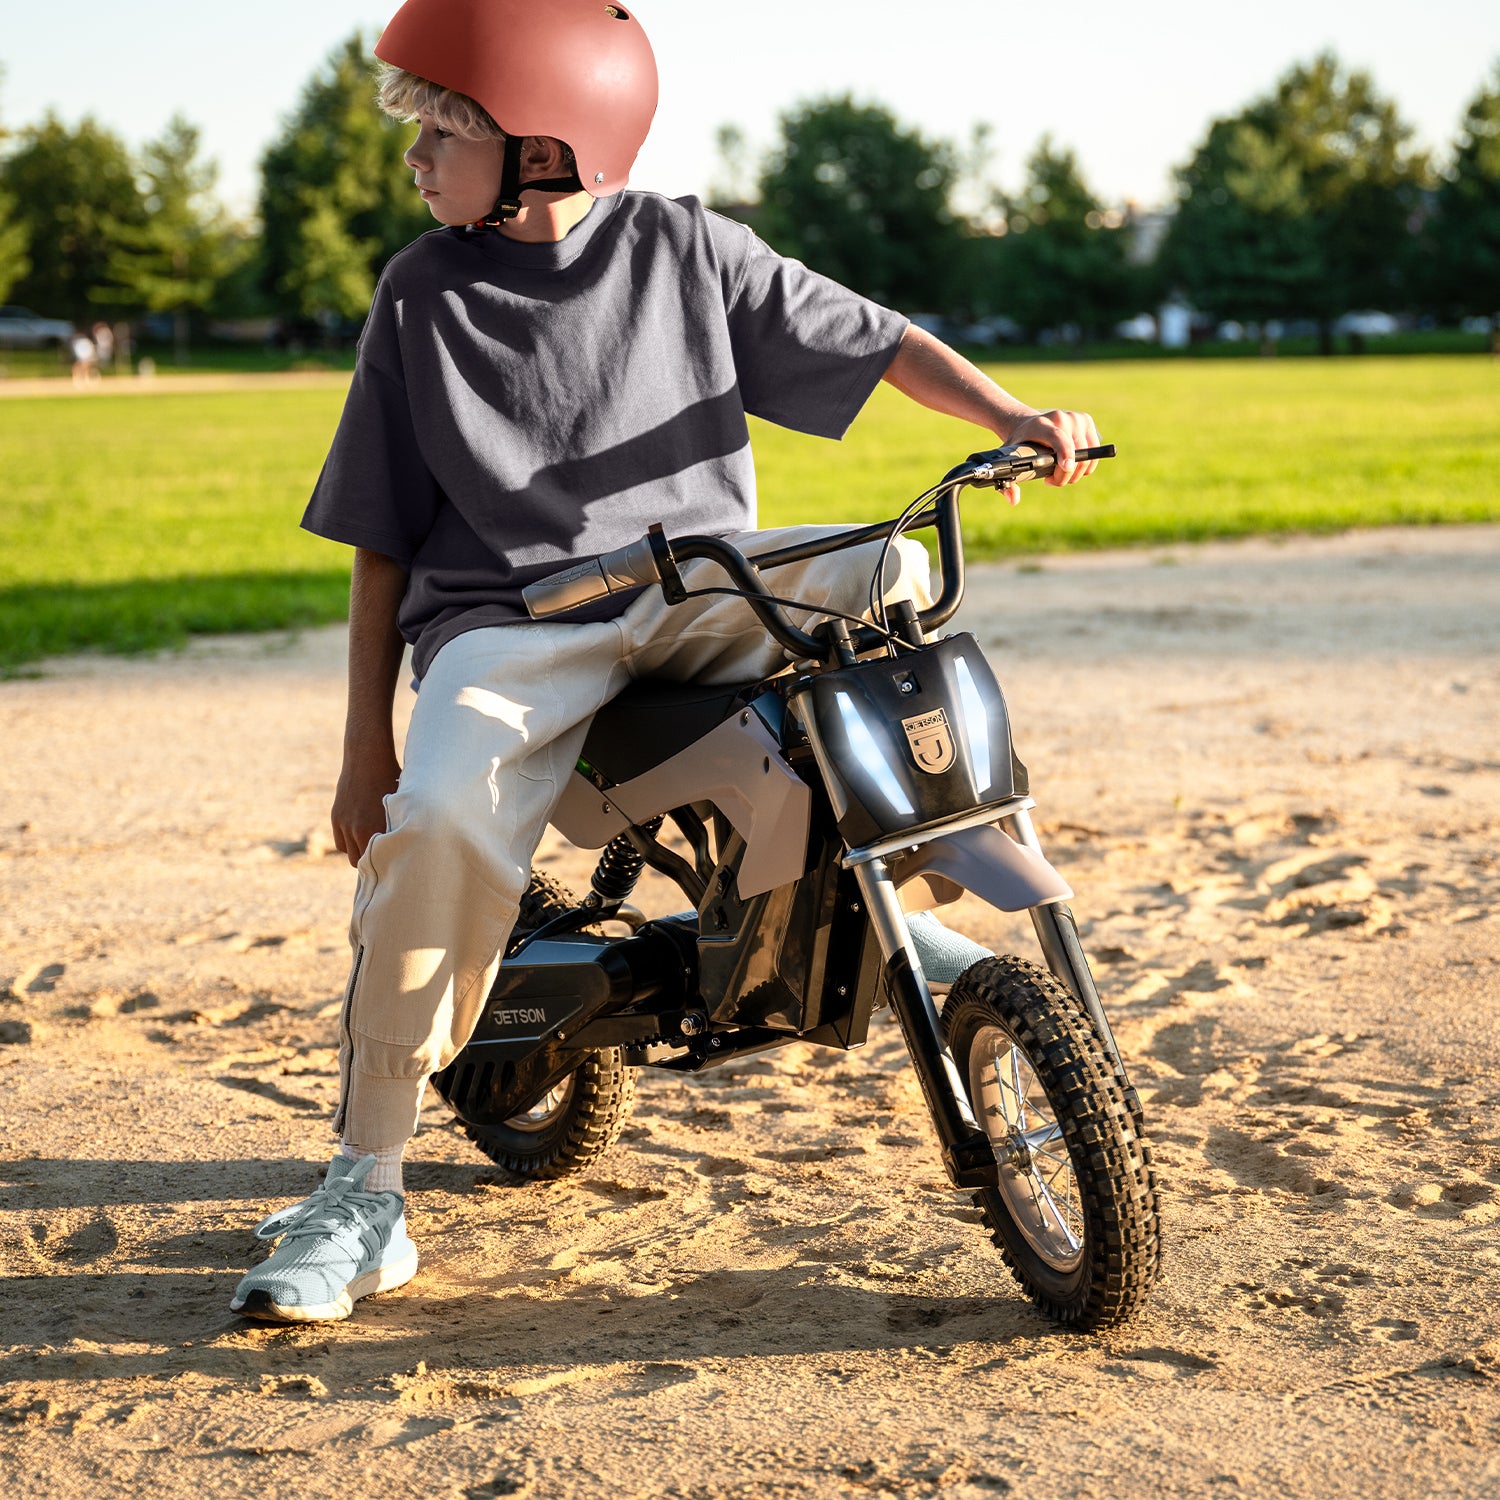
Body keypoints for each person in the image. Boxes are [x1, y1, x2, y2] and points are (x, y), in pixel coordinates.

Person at [231, 0, 1104, 1323]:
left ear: (542, 147)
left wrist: (1010, 417)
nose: (411, 157)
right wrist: (370, 746)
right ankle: (365, 1189)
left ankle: (888, 897)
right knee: (444, 830)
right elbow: (379, 549)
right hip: (512, 626)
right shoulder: (420, 293)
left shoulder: (686, 246)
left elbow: (878, 341)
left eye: (437, 129)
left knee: (895, 571)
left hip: (696, 586)